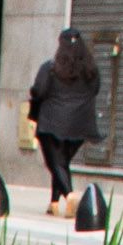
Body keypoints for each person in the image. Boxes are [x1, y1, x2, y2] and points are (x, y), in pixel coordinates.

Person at [25, 26, 103, 210]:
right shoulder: (91, 70)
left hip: (52, 123)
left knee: (55, 162)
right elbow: (95, 90)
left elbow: (39, 91)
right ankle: (54, 203)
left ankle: (70, 195)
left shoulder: (51, 67)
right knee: (62, 163)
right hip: (80, 124)